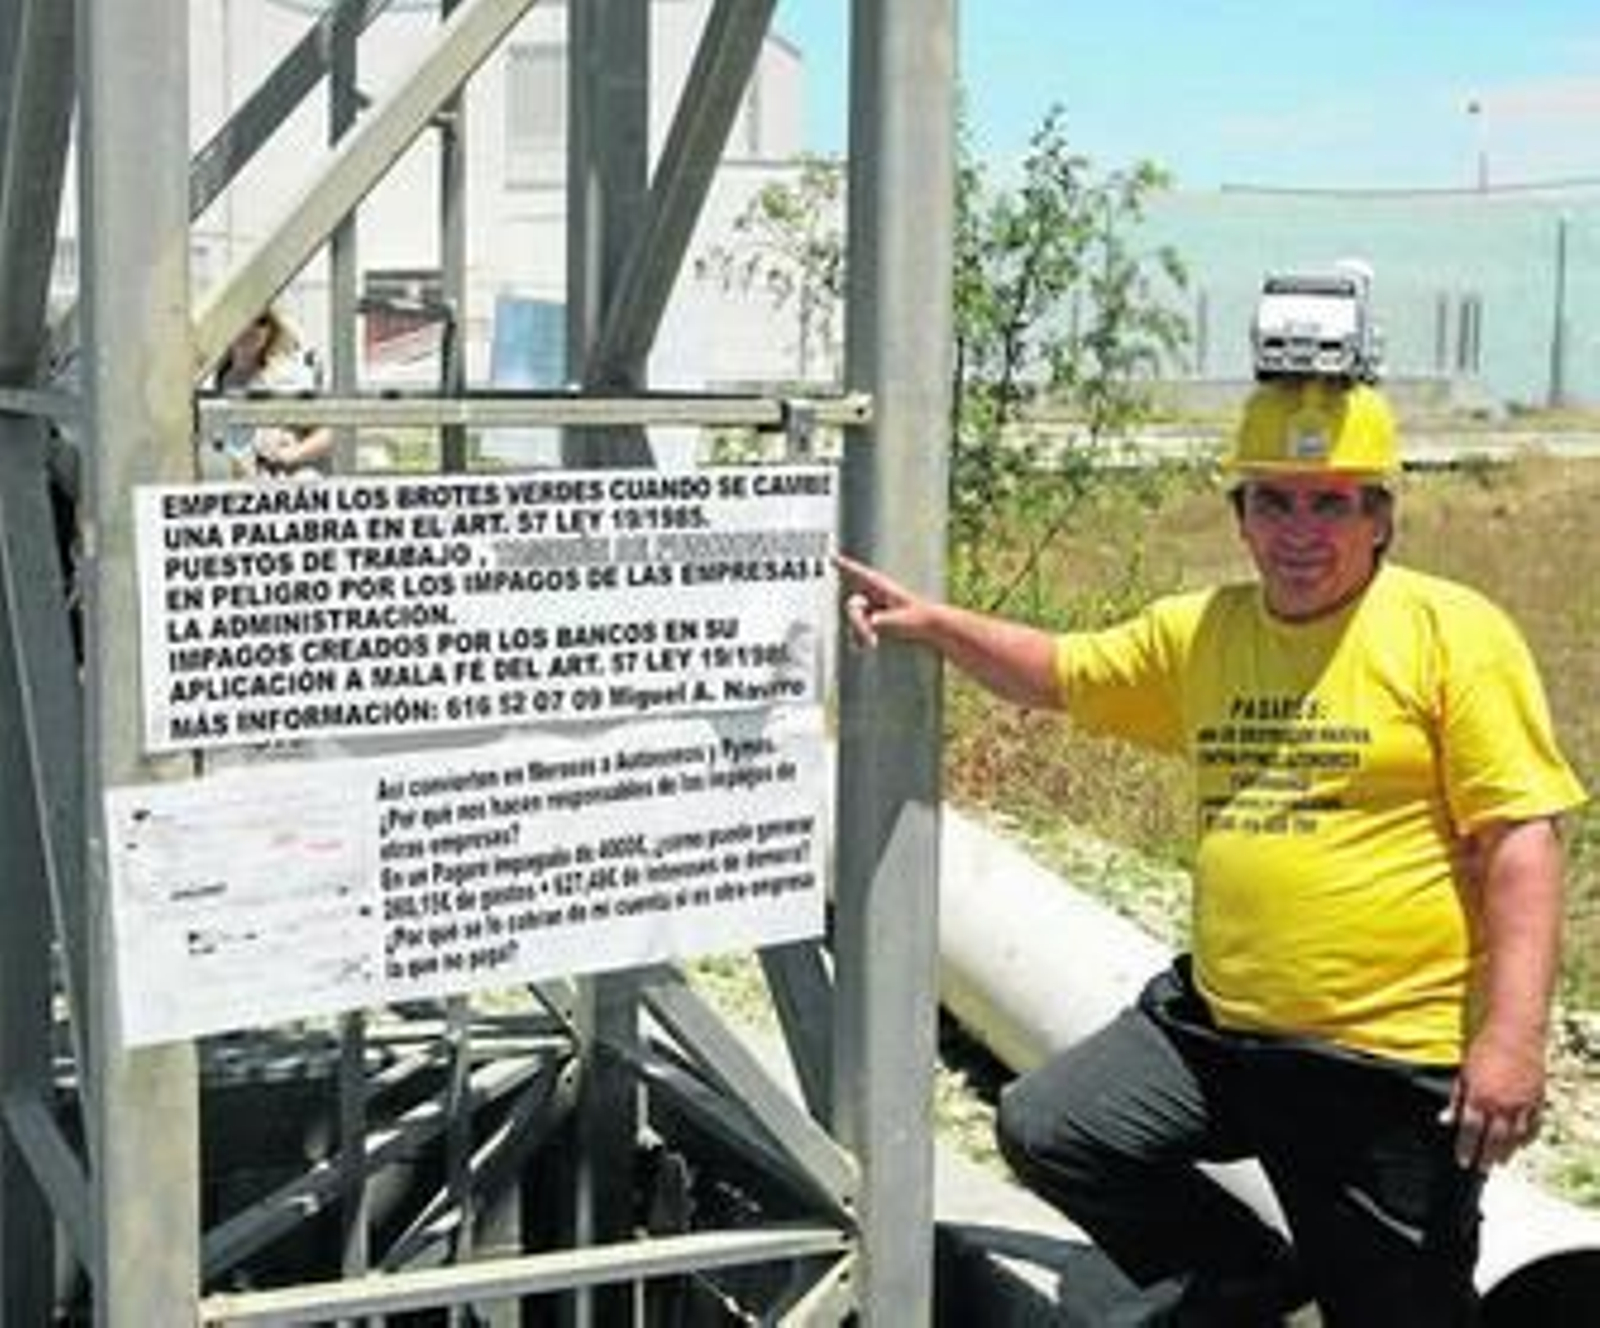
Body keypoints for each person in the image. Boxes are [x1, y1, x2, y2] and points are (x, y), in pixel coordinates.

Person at [837, 379, 1586, 1326]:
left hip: (1382, 1063)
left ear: (1381, 518)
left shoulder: (1451, 635)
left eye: (1331, 502)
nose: (1300, 529)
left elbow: (1521, 840)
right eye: (1272, 500)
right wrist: (937, 626)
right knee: (1052, 1127)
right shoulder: (1205, 634)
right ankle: (1245, 1279)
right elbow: (1061, 673)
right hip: (1220, 1032)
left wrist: (1511, 1041)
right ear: (1241, 517)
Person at [207, 306, 332, 479]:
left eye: (261, 321)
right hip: (222, 490)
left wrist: (291, 455)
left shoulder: (286, 376)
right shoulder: (208, 380)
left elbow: (328, 431)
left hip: (276, 492)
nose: (251, 328)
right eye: (241, 320)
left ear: (270, 330)